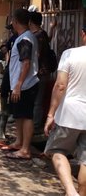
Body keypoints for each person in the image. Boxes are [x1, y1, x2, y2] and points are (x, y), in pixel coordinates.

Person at [44, 25, 86, 196]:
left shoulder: (70, 54)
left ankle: (71, 192)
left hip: (69, 113)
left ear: (83, 34)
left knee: (57, 150)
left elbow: (60, 85)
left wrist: (51, 114)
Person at [3, 8, 39, 160]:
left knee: (26, 116)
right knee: (18, 114)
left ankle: (25, 149)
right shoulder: (24, 37)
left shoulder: (25, 39)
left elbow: (26, 63)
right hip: (20, 85)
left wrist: (18, 84)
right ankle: (19, 142)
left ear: (16, 21)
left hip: (26, 85)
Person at [30, 11, 57, 140]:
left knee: (37, 101)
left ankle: (35, 126)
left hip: (39, 72)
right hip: (43, 72)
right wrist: (52, 28)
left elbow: (37, 55)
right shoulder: (42, 34)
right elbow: (49, 40)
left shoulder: (37, 36)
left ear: (30, 22)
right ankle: (35, 124)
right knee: (38, 100)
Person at [0, 24, 18, 140]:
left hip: (17, 70)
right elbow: (5, 49)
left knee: (13, 91)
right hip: (10, 68)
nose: (10, 30)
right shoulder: (13, 37)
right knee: (4, 90)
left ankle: (9, 115)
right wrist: (4, 43)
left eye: (12, 28)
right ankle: (3, 114)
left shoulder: (22, 38)